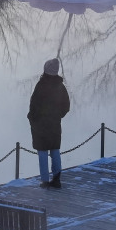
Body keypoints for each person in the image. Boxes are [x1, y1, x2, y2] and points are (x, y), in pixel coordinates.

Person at [27, 58, 71, 188]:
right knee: (55, 149)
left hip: (40, 125)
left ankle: (45, 180)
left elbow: (33, 105)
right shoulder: (60, 87)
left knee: (42, 152)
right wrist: (58, 116)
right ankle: (56, 179)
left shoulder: (41, 85)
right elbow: (66, 106)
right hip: (55, 124)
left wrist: (32, 118)